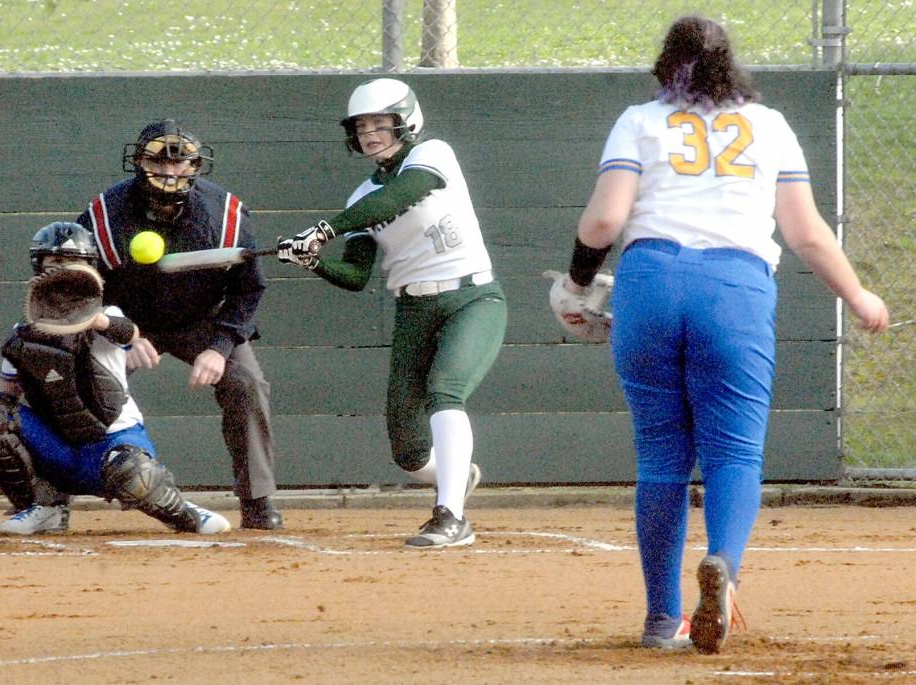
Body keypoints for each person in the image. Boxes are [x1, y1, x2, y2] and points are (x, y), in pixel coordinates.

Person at [560, 15, 890, 653]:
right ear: (731, 65)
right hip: (734, 287)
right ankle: (724, 568)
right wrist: (858, 296)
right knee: (734, 454)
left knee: (660, 459)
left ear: (665, 65)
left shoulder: (640, 120)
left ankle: (662, 620)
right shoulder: (768, 126)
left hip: (650, 282)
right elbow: (806, 235)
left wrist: (577, 284)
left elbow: (604, 221)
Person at [277, 78, 507, 549]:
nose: (371, 133)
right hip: (414, 309)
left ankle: (451, 516)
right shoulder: (361, 196)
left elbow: (400, 196)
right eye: (363, 126)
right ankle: (455, 477)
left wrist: (325, 230)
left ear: (407, 121)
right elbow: (356, 274)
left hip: (471, 298)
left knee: (446, 391)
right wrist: (313, 260)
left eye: (382, 123)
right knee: (406, 447)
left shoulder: (434, 154)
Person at [0, 222, 231, 536]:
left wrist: (93, 317)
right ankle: (45, 508)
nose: (64, 271)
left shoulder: (107, 314)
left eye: (74, 263)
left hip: (112, 441)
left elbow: (129, 333)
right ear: (39, 267)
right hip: (57, 447)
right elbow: (5, 396)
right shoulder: (23, 335)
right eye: (55, 263)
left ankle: (185, 513)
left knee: (136, 477)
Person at [76, 119, 282, 530]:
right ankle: (50, 499)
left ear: (196, 165)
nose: (171, 171)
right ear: (137, 162)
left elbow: (248, 290)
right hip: (126, 323)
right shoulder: (103, 215)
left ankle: (258, 503)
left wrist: (219, 347)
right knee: (67, 378)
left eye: (182, 161)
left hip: (201, 321)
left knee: (246, 382)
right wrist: (120, 333)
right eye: (158, 160)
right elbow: (82, 289)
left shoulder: (224, 214)